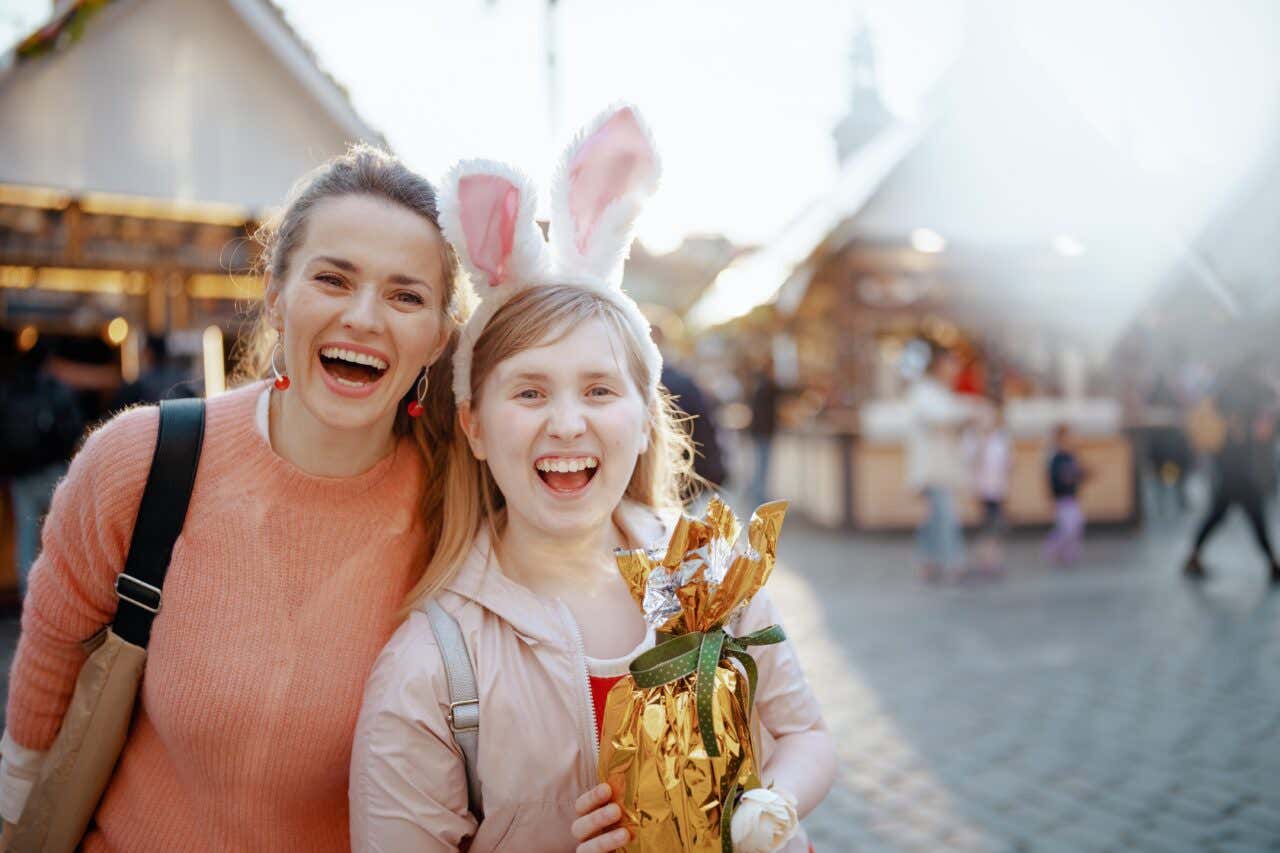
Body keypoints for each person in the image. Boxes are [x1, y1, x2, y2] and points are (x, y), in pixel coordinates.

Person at [350, 105, 835, 853]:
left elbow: (803, 733)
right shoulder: (433, 667)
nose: (568, 423)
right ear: (475, 426)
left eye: (600, 390)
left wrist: (766, 815)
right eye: (529, 392)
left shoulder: (713, 573)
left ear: (643, 419)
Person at [0, 144, 465, 850]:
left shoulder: (456, 513)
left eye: (407, 296)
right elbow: (47, 676)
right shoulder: (140, 462)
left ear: (437, 338)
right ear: (276, 296)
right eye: (333, 279)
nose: (365, 317)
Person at [0, 334, 86, 596]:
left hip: (22, 475)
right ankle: (62, 592)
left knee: (25, 536)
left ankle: (28, 595)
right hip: (53, 470)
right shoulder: (55, 388)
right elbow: (74, 428)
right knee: (61, 533)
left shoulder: (11, 388)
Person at [1184, 366, 1280, 583]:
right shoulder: (1246, 407)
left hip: (1228, 474)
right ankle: (1273, 563)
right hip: (1241, 475)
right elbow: (1260, 435)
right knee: (1254, 519)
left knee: (1218, 517)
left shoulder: (1223, 402)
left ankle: (1193, 556)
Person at [907, 346, 972, 582]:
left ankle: (928, 562)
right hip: (933, 469)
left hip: (943, 467)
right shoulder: (924, 392)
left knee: (935, 518)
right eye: (951, 364)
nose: (955, 370)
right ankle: (953, 564)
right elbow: (941, 418)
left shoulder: (942, 393)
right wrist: (971, 412)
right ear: (938, 366)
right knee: (944, 516)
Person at [969, 405, 1012, 575]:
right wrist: (982, 442)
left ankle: (991, 558)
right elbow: (972, 462)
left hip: (998, 489)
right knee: (990, 526)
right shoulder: (973, 439)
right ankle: (987, 559)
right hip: (983, 490)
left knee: (997, 527)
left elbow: (1007, 464)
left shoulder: (1001, 439)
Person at [1044, 423, 1086, 566]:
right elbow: (1054, 479)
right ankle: (1054, 548)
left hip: (1072, 497)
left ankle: (1069, 554)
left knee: (1076, 525)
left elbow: (1078, 473)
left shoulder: (1071, 456)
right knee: (1067, 528)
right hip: (1061, 497)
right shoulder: (1056, 458)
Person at [749, 353, 781, 509]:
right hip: (764, 431)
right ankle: (759, 497)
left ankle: (757, 495)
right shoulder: (767, 386)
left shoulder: (759, 384)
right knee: (762, 465)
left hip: (759, 430)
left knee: (760, 464)